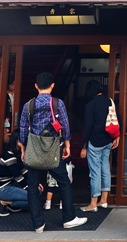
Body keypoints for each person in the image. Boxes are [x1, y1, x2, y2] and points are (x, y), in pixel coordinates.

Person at [19, 72, 87, 233]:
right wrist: (67, 144)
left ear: (36, 86)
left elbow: (22, 129)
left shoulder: (28, 105)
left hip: (34, 150)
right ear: (53, 85)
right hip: (54, 149)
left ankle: (38, 224)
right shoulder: (57, 103)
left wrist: (23, 148)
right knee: (64, 182)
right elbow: (65, 125)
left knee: (33, 187)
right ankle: (69, 218)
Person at [80, 79, 119, 211]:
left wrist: (84, 146)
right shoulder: (109, 101)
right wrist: (116, 136)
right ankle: (104, 200)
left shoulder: (91, 105)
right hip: (108, 140)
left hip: (95, 142)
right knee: (105, 169)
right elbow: (115, 118)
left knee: (95, 171)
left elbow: (87, 126)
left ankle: (93, 203)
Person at [0, 128, 28, 216]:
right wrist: (28, 187)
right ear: (17, 141)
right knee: (33, 198)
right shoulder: (9, 156)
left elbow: (24, 171)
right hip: (1, 189)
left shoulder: (17, 154)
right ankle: (3, 203)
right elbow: (18, 176)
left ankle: (11, 204)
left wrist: (34, 184)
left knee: (37, 192)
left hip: (11, 184)